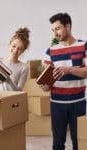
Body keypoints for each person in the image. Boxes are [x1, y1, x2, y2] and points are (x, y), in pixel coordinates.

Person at [40, 13, 87, 150]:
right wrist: (45, 86)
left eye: (58, 28)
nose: (55, 33)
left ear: (68, 26)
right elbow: (47, 82)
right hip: (57, 105)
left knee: (80, 142)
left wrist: (69, 70)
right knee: (58, 143)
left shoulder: (83, 46)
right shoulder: (50, 51)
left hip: (78, 103)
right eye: (53, 30)